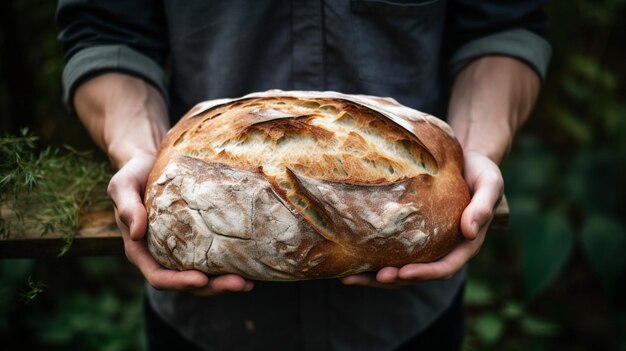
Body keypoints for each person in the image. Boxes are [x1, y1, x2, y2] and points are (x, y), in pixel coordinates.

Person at [57, 1, 550, 350]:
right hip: (206, 328)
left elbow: (503, 26)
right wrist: (142, 149)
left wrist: (477, 147)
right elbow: (106, 30)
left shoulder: (442, 181)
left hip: (410, 321)